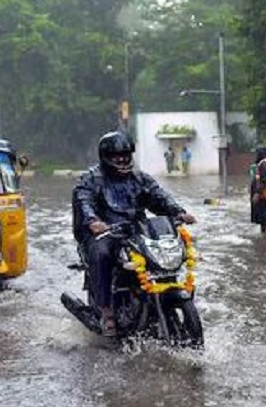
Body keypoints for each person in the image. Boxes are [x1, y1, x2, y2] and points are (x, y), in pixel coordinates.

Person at [73, 131, 197, 337]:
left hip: (136, 232)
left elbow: (159, 197)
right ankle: (107, 311)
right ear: (105, 157)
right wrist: (93, 221)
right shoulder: (91, 179)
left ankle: (153, 298)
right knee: (102, 254)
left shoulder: (139, 178)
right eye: (116, 156)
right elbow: (84, 201)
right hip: (106, 234)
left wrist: (179, 213)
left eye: (125, 154)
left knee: (165, 250)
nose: (121, 159)